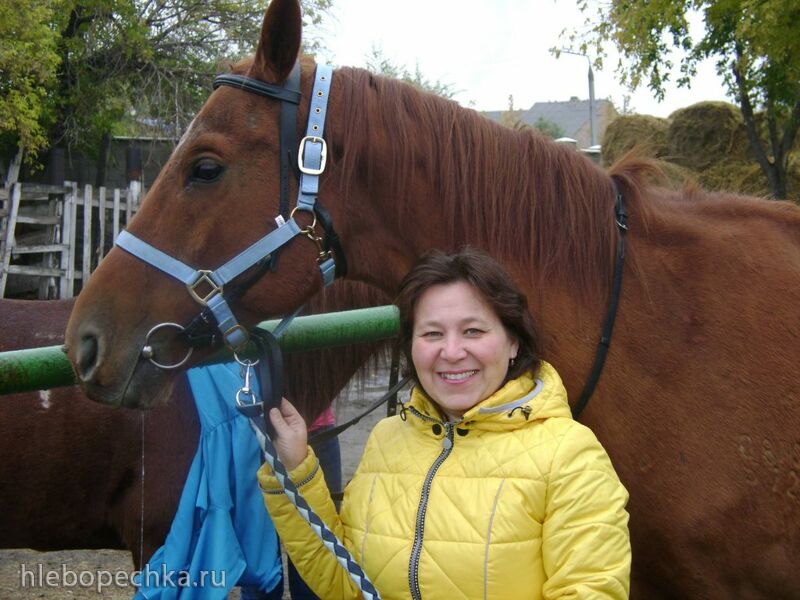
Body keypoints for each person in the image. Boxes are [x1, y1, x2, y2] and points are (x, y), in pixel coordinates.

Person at [258, 247, 631, 599]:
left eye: (473, 331)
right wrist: (294, 470)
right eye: (432, 333)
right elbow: (348, 587)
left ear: (513, 342)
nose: (451, 353)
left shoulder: (571, 456)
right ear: (411, 346)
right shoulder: (387, 439)